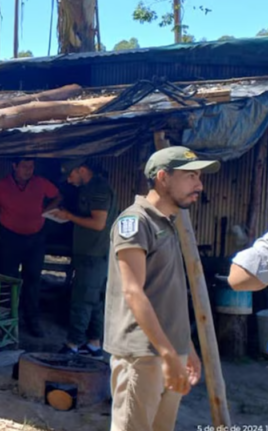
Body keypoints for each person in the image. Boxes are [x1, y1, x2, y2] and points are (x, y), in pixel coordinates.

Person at [104, 146, 220, 431]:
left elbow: (166, 293)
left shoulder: (168, 223)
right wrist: (168, 354)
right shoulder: (135, 222)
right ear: (163, 178)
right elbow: (134, 292)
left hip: (168, 349)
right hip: (142, 354)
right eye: (190, 176)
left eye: (199, 177)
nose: (199, 185)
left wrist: (185, 345)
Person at [0, 157, 62, 337]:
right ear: (14, 166)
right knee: (7, 279)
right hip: (10, 239)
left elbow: (58, 196)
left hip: (36, 239)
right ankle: (5, 321)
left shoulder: (40, 183)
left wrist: (46, 211)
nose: (29, 170)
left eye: (31, 166)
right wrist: (5, 224)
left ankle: (32, 321)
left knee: (33, 280)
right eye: (25, 166)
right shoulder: (1, 186)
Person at [52, 159, 117, 358]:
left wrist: (69, 216)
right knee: (94, 300)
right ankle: (94, 344)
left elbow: (98, 223)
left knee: (81, 300)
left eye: (71, 175)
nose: (70, 181)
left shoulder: (97, 189)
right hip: (92, 252)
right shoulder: (90, 187)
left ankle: (73, 344)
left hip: (93, 254)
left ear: (82, 170)